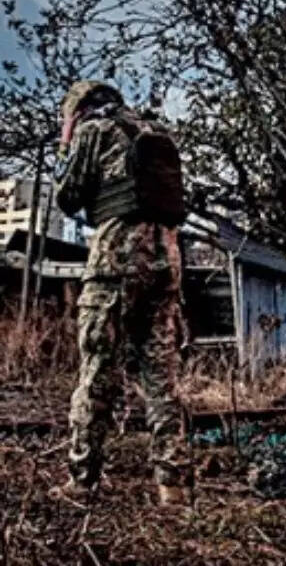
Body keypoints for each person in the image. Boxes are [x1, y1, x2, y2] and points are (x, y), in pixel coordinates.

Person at [49, 80, 192, 506]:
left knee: (97, 370)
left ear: (78, 109)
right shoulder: (156, 133)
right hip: (167, 259)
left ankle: (83, 479)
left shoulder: (94, 132)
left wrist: (66, 141)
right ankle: (173, 486)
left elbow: (66, 198)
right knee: (162, 377)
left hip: (117, 260)